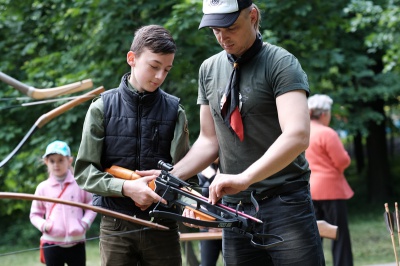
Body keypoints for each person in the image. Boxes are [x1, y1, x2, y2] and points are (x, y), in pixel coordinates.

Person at [138, 1, 325, 265]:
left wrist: (245, 177)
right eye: (215, 29)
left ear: (252, 16)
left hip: (285, 203)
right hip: (234, 209)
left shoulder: (281, 63)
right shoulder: (209, 69)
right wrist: (171, 177)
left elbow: (296, 136)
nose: (223, 37)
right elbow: (208, 141)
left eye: (231, 27)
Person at [74, 25, 190, 266]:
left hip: (162, 223)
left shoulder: (175, 112)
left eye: (166, 70)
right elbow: (85, 173)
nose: (159, 76)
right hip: (115, 222)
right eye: (154, 66)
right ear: (132, 58)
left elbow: (187, 177)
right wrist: (127, 188)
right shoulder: (101, 108)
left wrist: (163, 191)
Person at [30, 140, 97, 266]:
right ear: (46, 162)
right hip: (51, 244)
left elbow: (91, 205)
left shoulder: (79, 185)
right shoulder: (42, 188)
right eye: (52, 161)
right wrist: (44, 225)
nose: (56, 164)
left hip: (77, 242)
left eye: (61, 160)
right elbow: (35, 214)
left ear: (69, 161)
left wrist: (84, 224)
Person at [306, 94, 354, 266]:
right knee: (339, 235)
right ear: (325, 114)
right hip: (331, 190)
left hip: (308, 190)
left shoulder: (303, 132)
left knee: (313, 235)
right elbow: (342, 161)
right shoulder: (327, 133)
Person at [197, 159, 222, 266]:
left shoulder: (228, 167)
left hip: (228, 226)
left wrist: (212, 176)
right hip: (208, 227)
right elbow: (198, 198)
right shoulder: (202, 169)